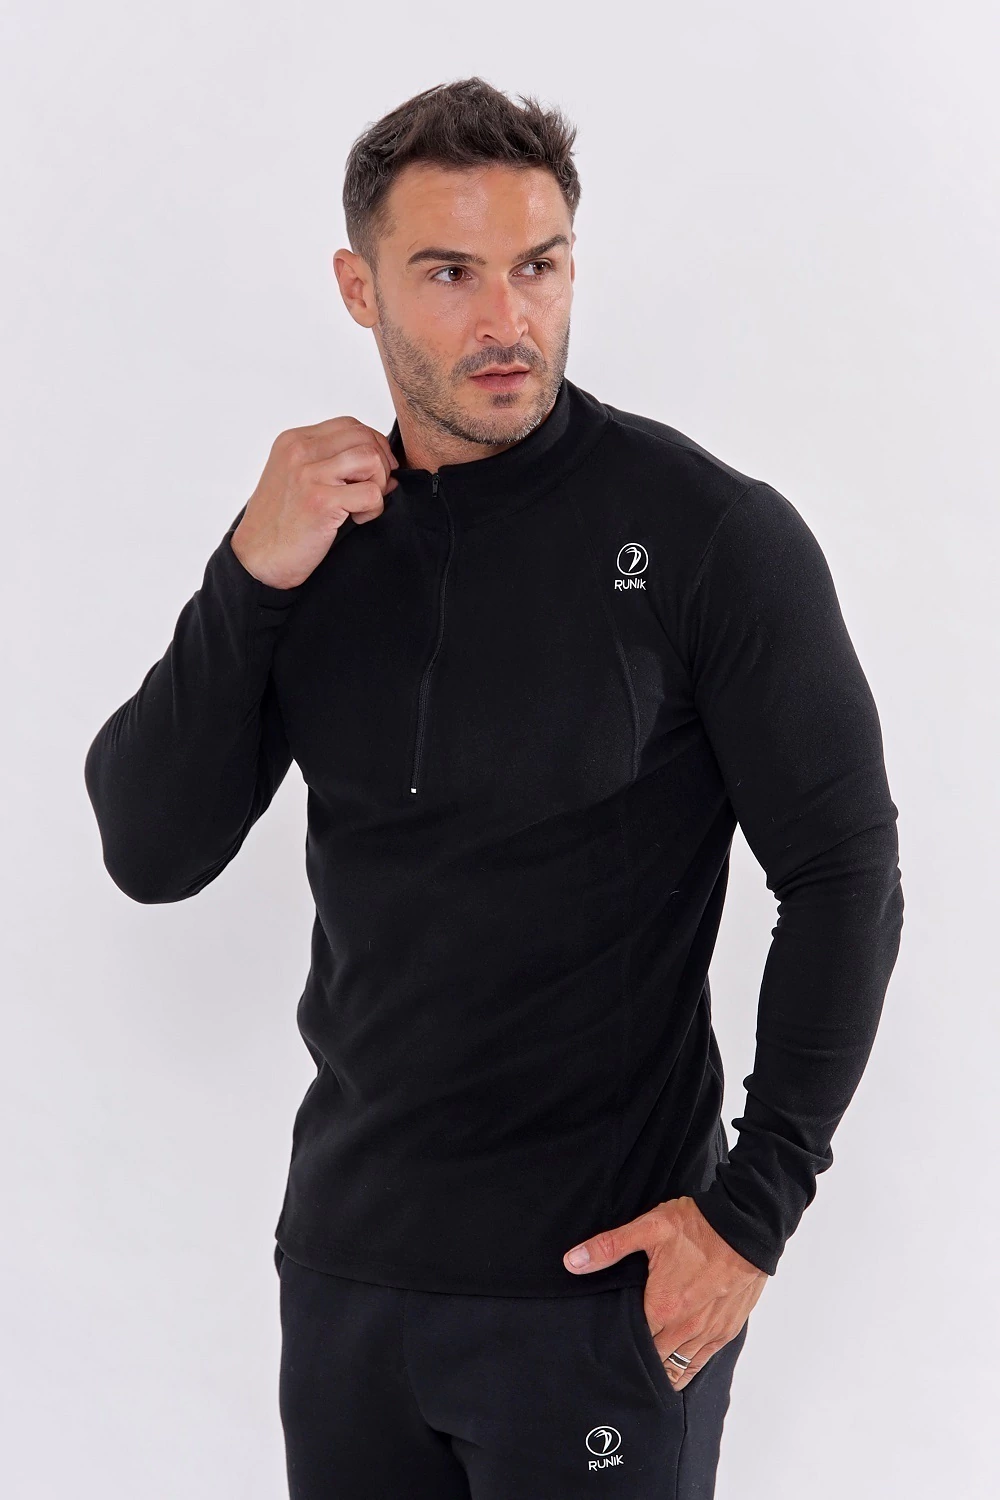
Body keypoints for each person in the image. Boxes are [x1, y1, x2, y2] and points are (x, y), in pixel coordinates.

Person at [83, 75, 904, 1499]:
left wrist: (753, 1215)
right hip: (348, 1282)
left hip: (602, 1297)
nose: (506, 320)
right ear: (360, 289)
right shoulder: (313, 543)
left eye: (539, 266)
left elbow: (846, 877)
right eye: (449, 273)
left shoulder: (707, 535)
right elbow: (151, 848)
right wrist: (249, 575)